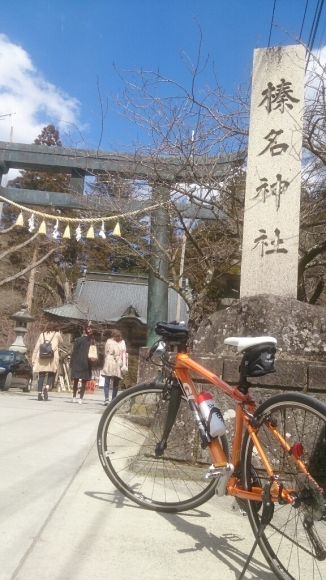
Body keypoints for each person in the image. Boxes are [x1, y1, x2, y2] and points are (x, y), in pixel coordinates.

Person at [32, 320, 63, 401]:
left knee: (41, 375)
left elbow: (36, 347)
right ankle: (46, 387)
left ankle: (39, 394)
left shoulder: (42, 334)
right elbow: (61, 342)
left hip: (42, 356)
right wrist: (59, 332)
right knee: (52, 373)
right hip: (52, 357)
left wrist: (33, 358)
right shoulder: (57, 334)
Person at [69, 326, 95, 404]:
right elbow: (93, 353)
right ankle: (81, 398)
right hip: (86, 362)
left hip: (77, 361)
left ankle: (74, 397)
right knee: (84, 381)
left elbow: (74, 352)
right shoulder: (91, 341)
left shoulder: (78, 340)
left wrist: (72, 363)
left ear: (84, 332)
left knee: (76, 379)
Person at [101, 329, 127, 405]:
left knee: (107, 381)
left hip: (109, 359)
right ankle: (114, 399)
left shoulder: (109, 341)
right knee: (116, 382)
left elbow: (106, 352)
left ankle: (106, 399)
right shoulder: (122, 342)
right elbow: (124, 352)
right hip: (118, 361)